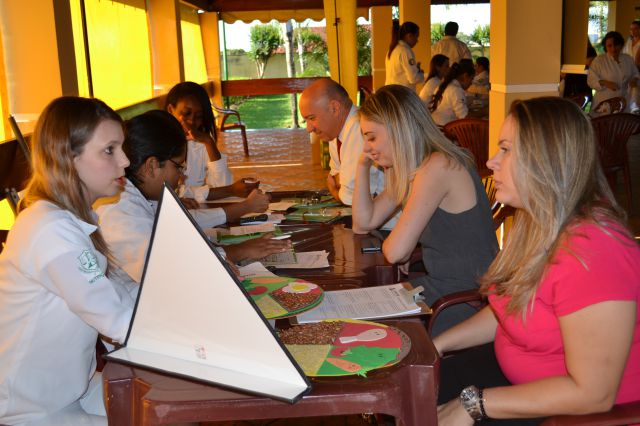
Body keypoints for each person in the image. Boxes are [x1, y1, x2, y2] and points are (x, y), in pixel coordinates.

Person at [434, 97, 640, 426]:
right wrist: (438, 345)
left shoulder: (594, 250)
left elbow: (593, 393)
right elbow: (509, 310)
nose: (490, 161)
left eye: (505, 149)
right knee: (417, 389)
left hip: (574, 412)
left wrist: (473, 405)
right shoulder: (537, 222)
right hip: (518, 377)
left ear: (545, 161)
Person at [0, 97, 136, 424]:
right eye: (110, 150)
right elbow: (116, 319)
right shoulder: (51, 230)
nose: (125, 161)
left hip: (72, 388)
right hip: (29, 408)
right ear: (68, 159)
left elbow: (123, 293)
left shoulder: (71, 220)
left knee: (159, 405)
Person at [352, 85, 498, 335]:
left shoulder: (438, 166)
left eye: (372, 137)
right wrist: (362, 166)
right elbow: (362, 223)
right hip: (444, 288)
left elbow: (395, 252)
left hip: (467, 299)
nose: (366, 147)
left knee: (365, 325)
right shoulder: (416, 167)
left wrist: (405, 247)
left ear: (399, 129)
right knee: (360, 307)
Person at [97, 110, 290, 284]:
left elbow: (179, 233)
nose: (182, 176)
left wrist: (231, 250)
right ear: (152, 166)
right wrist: (239, 251)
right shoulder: (120, 214)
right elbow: (172, 272)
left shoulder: (144, 197)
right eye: (178, 167)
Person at [165, 81, 261, 206]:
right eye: (186, 113)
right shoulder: (157, 144)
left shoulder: (200, 144)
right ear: (170, 110)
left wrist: (209, 143)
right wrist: (230, 190)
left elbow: (222, 186)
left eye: (199, 116)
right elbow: (173, 192)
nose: (192, 121)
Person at [299, 78, 385, 207]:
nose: (309, 128)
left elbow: (351, 200)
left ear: (335, 108)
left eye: (312, 118)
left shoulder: (358, 128)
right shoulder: (336, 130)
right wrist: (339, 185)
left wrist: (335, 191)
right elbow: (335, 178)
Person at [587, 31, 639, 112]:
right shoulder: (599, 61)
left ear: (621, 45)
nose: (613, 48)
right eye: (609, 46)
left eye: (616, 45)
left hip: (624, 102)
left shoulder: (628, 59)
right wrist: (605, 82)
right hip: (604, 104)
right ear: (605, 46)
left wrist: (634, 80)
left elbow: (635, 74)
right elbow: (590, 80)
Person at [430, 59, 476, 126]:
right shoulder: (456, 90)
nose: (471, 83)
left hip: (435, 126)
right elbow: (465, 117)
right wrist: (485, 111)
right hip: (442, 128)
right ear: (465, 76)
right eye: (471, 79)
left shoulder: (445, 85)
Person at [385, 21, 425, 91]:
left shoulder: (392, 50)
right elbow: (413, 78)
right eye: (416, 37)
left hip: (391, 91)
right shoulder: (405, 51)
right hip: (402, 93)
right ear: (409, 36)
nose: (417, 41)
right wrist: (421, 74)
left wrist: (416, 70)